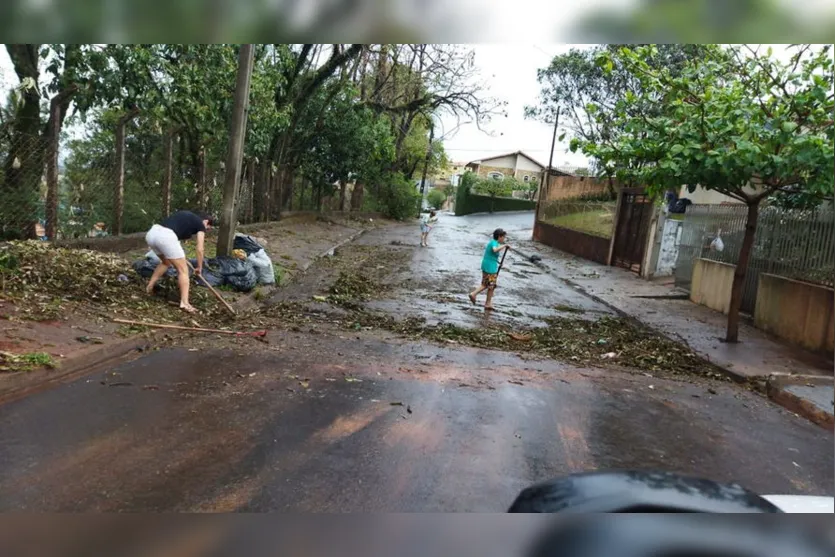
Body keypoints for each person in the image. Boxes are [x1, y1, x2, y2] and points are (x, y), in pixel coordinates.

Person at [144, 210, 214, 314]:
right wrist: (199, 267)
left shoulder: (186, 216)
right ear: (206, 221)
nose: (206, 230)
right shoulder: (201, 224)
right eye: (208, 228)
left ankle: (149, 287)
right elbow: (200, 248)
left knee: (166, 262)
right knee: (183, 270)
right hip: (166, 236)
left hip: (152, 234)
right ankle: (185, 303)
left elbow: (174, 234)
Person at [469, 228, 511, 310]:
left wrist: (498, 263)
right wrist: (505, 245)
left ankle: (487, 302)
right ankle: (474, 294)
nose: (504, 239)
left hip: (487, 265)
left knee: (487, 284)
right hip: (490, 267)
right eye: (503, 237)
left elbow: (492, 255)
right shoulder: (494, 243)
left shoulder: (493, 243)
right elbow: (494, 250)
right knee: (489, 285)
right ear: (499, 236)